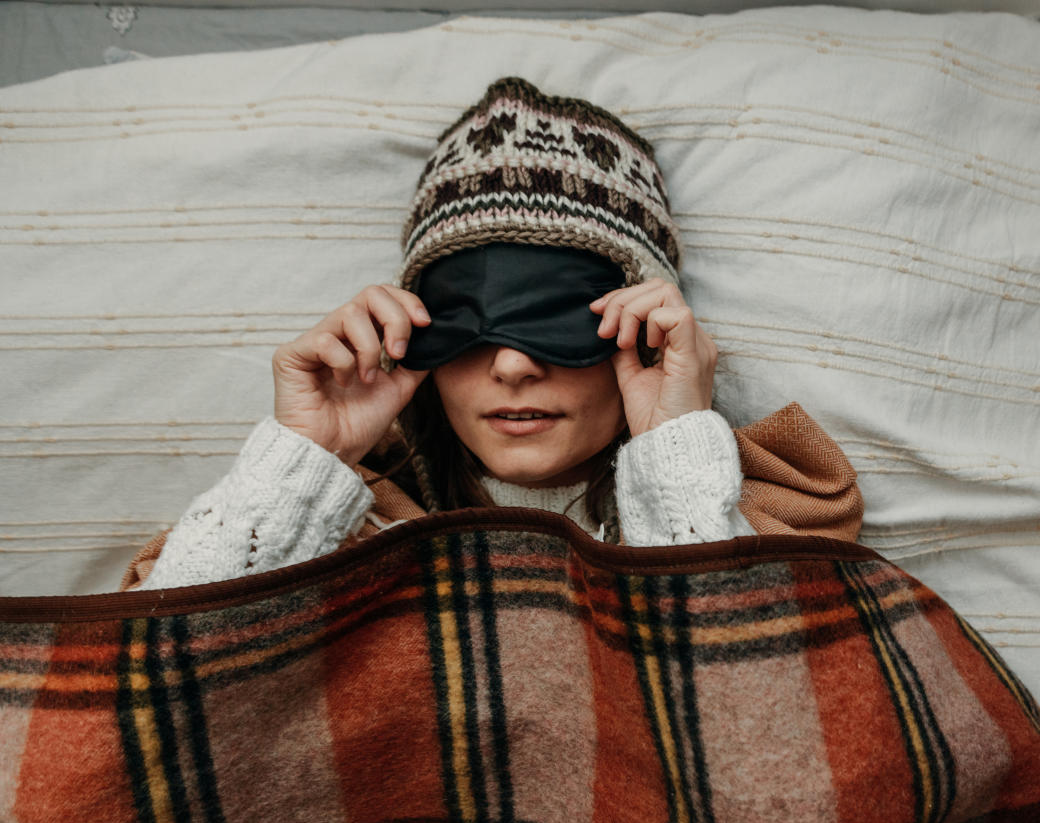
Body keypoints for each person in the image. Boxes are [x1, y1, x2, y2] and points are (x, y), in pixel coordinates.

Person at [122, 76, 863, 591]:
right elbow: (130, 695)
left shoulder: (772, 513)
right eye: (467, 323)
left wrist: (675, 455)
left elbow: (771, 719)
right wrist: (307, 460)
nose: (511, 363)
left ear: (646, 330)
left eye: (559, 318)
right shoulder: (315, 524)